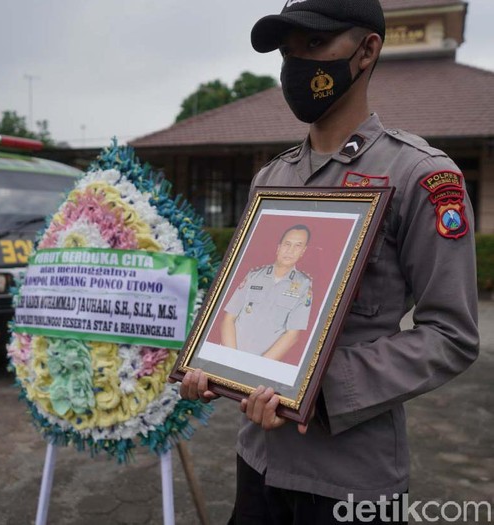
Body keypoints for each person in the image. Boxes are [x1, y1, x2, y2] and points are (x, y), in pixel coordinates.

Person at [176, 0, 479, 523]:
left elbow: (451, 333)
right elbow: (244, 297)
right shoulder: (271, 181)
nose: (298, 64)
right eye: (288, 51)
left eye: (316, 45)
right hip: (258, 460)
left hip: (350, 476)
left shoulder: (420, 176)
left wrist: (323, 389)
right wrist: (212, 366)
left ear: (367, 51)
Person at [221, 225, 312, 361]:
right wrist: (231, 358)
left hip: (262, 364)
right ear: (278, 247)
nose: (290, 250)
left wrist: (257, 365)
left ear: (303, 251)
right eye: (287, 244)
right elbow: (229, 318)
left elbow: (293, 335)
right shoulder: (254, 276)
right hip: (228, 355)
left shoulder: (304, 285)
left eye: (298, 246)